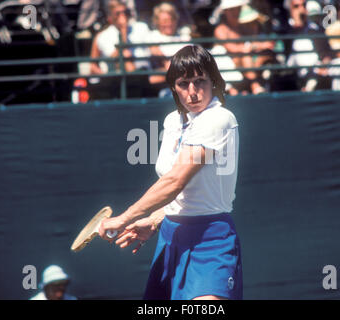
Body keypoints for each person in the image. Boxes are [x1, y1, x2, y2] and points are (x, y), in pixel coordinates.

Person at [99, 45, 242, 300]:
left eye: (200, 81)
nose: (193, 92)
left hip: (211, 240)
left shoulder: (220, 119)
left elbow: (175, 181)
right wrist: (155, 220)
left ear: (214, 81)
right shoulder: (172, 122)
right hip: (170, 237)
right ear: (174, 88)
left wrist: (123, 219)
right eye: (183, 83)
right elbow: (178, 190)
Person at [89, 0, 153, 98]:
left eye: (125, 12)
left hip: (144, 74)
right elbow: (119, 57)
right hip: (119, 78)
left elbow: (153, 47)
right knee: (125, 57)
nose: (123, 16)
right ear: (109, 18)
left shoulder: (141, 27)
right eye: (118, 14)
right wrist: (124, 31)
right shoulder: (104, 36)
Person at [145, 2, 192, 96]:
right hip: (164, 87)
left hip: (186, 84)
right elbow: (157, 55)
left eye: (172, 19)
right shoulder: (152, 36)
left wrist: (171, 69)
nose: (169, 23)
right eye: (165, 20)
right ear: (157, 22)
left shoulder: (184, 38)